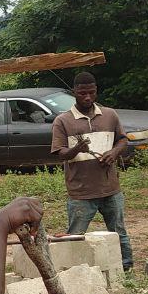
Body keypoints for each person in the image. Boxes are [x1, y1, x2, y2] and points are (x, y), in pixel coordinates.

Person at [51, 71, 133, 271]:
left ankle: (126, 270)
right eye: (82, 93)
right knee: (75, 236)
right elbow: (60, 154)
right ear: (74, 93)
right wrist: (76, 150)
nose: (87, 97)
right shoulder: (63, 121)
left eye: (91, 92)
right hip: (81, 193)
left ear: (96, 91)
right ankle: (72, 272)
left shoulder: (109, 115)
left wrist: (113, 153)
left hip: (110, 190)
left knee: (119, 234)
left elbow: (123, 140)